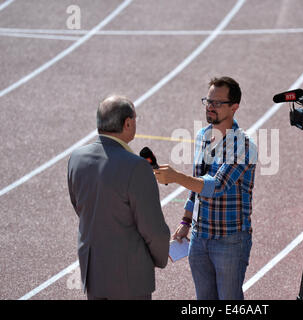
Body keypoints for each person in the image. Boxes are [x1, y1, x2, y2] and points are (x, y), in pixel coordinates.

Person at [154, 76, 257, 300]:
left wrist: (175, 177)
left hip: (230, 241)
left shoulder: (244, 145)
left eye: (217, 103)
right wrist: (185, 221)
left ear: (234, 107)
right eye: (208, 101)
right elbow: (196, 185)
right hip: (200, 238)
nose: (210, 106)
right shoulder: (202, 136)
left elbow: (216, 185)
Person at [67, 95, 170, 300]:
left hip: (94, 272)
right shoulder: (137, 166)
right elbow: (153, 228)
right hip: (130, 276)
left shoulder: (76, 158)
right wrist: (159, 258)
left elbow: (79, 207)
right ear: (128, 123)